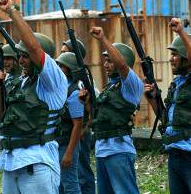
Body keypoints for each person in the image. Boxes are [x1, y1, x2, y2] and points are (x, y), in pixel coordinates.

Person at [0, 0, 68, 193]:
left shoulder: (53, 80)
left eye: (25, 56)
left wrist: (12, 12)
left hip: (37, 164)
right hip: (10, 163)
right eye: (20, 56)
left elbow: (34, 48)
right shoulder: (20, 83)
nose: (21, 60)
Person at [144, 18, 191, 194]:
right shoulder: (177, 84)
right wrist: (152, 99)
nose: (171, 59)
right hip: (175, 155)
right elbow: (166, 120)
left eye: (175, 55)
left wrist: (181, 33)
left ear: (187, 58)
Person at [80, 27, 143, 194]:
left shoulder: (131, 85)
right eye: (105, 61)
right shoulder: (110, 88)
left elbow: (122, 65)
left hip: (119, 151)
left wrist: (103, 39)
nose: (106, 65)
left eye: (110, 61)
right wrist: (87, 104)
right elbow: (98, 119)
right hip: (102, 151)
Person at [60, 39, 95, 194]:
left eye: (65, 53)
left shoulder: (81, 81)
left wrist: (85, 129)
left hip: (79, 132)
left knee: (81, 172)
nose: (61, 56)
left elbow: (92, 109)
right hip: (67, 133)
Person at [55, 52, 83, 194]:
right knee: (58, 184)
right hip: (57, 143)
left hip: (67, 144)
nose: (59, 68)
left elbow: (78, 124)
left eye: (63, 66)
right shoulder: (59, 89)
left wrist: (69, 153)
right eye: (58, 65)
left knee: (70, 184)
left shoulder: (73, 93)